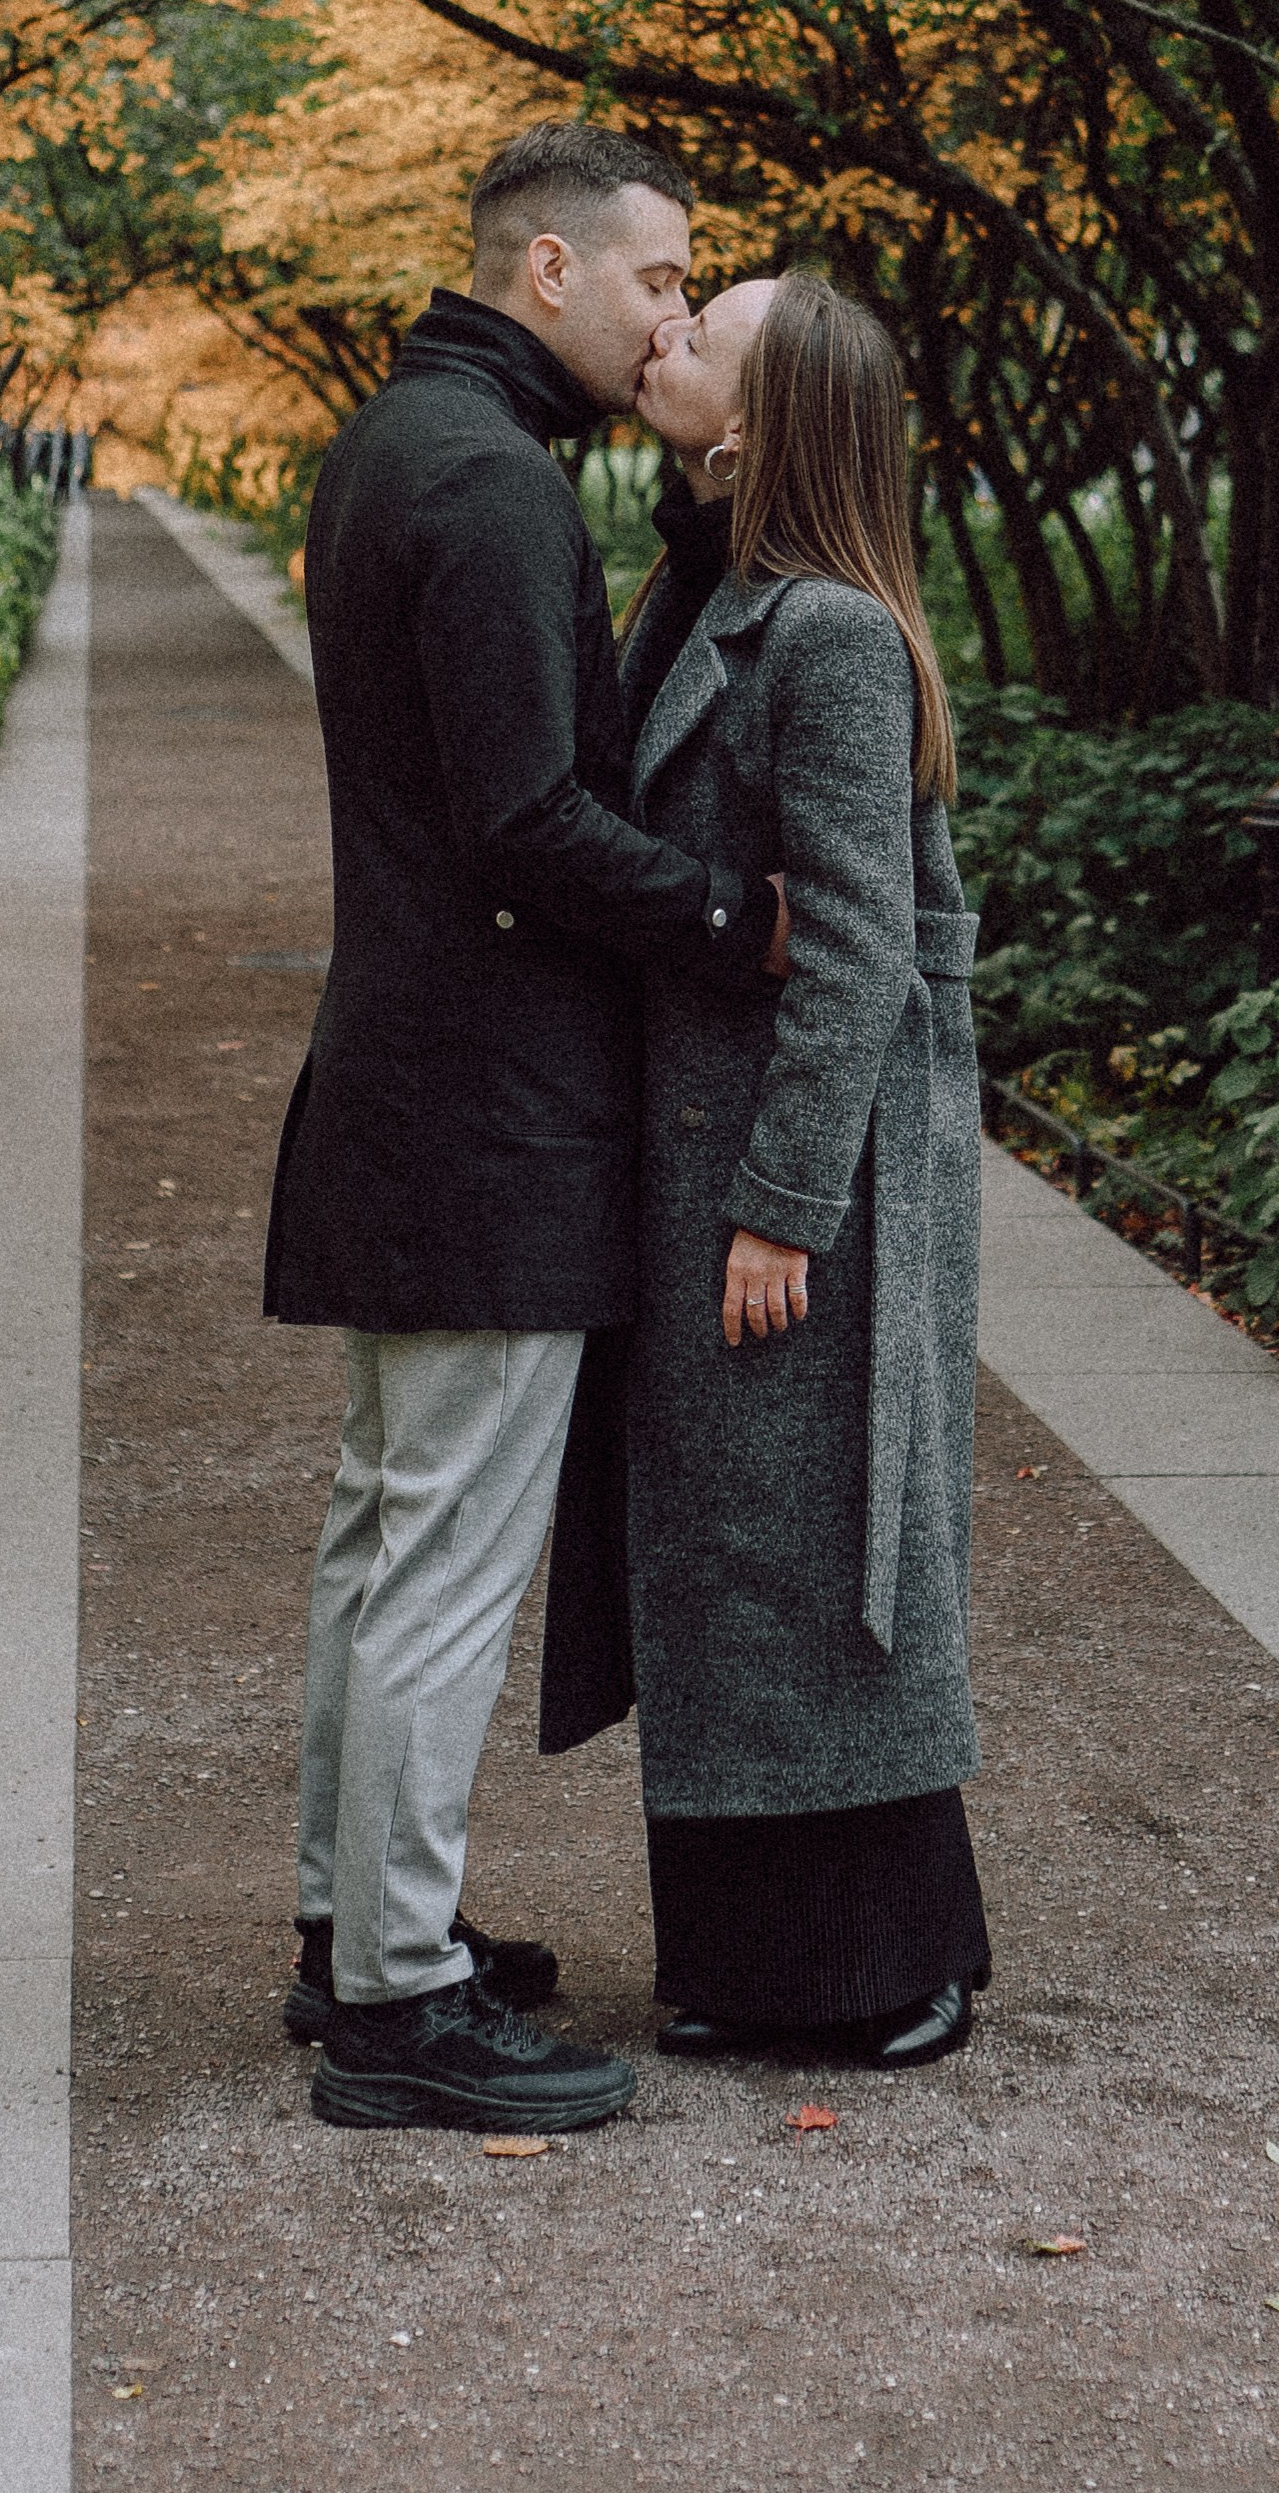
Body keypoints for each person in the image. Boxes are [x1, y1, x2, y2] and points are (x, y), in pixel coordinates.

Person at [263, 122, 786, 2134]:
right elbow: (528, 823)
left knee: (384, 1532)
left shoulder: (408, 438)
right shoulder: (488, 486)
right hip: (485, 1108)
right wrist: (738, 915)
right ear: (547, 271)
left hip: (414, 1080)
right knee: (441, 1558)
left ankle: (353, 1938)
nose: (675, 311)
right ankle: (398, 2005)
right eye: (660, 279)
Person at [563, 267, 991, 2062]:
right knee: (739, 1554)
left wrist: (783, 1208)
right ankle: (753, 1960)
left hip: (805, 1182)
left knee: (827, 1560)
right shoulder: (702, 585)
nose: (660, 335)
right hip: (713, 1152)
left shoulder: (823, 632)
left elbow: (864, 945)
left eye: (700, 330)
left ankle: (897, 1963)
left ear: (758, 421)